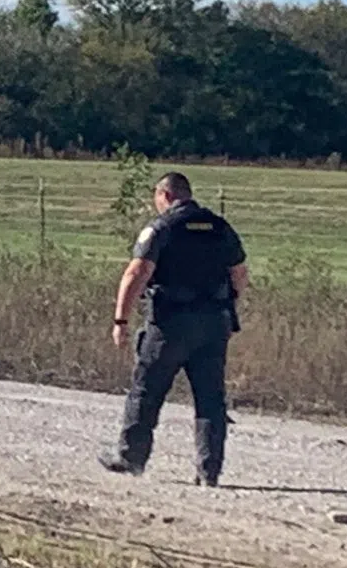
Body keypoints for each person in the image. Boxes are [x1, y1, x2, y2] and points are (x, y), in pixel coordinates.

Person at [100, 171, 249, 485]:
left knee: (147, 390)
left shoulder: (162, 227)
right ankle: (209, 471)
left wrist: (120, 320)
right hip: (212, 324)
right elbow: (239, 274)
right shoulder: (220, 227)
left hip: (170, 324)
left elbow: (136, 273)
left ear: (164, 195)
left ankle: (131, 458)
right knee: (210, 397)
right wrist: (226, 306)